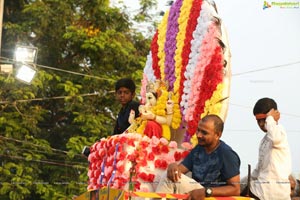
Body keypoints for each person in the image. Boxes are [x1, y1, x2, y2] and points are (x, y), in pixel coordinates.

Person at [155, 114, 240, 199]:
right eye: (198, 130)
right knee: (169, 175)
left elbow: (236, 189)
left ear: (217, 135)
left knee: (168, 177)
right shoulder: (198, 149)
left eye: (204, 132)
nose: (198, 135)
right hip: (196, 194)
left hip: (211, 196)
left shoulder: (227, 154)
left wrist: (207, 191)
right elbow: (178, 172)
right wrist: (173, 167)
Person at [241, 97, 292, 200]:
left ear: (275, 116)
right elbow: (258, 170)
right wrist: (240, 182)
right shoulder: (264, 140)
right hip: (261, 190)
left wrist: (270, 118)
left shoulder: (279, 131)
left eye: (263, 119)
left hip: (273, 192)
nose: (261, 124)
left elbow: (274, 137)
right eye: (258, 121)